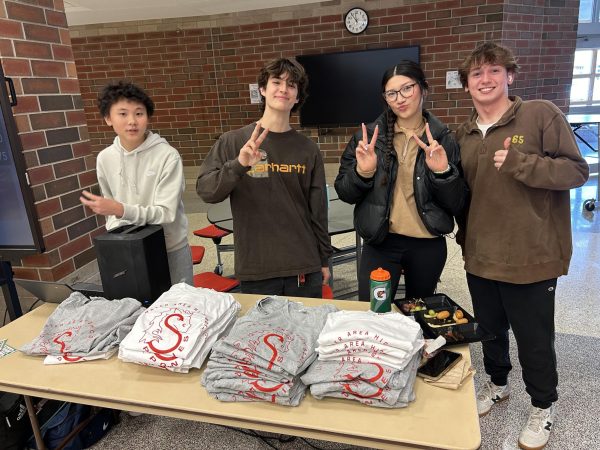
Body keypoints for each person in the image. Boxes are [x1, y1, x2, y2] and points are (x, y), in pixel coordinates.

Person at [456, 42, 589, 450]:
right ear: (466, 85)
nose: (485, 79)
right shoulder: (464, 134)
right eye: (476, 74)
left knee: (534, 338)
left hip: (531, 256)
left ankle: (542, 407)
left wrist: (521, 164)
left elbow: (576, 170)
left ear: (509, 76)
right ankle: (497, 385)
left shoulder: (540, 114)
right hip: (480, 253)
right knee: (490, 331)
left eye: (493, 70)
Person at [196, 58, 331, 298]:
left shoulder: (308, 149)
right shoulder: (234, 141)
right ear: (263, 90)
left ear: (298, 96)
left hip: (303, 265)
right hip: (256, 268)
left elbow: (318, 210)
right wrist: (239, 165)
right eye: (276, 82)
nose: (283, 89)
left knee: (305, 334)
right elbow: (207, 191)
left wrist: (323, 258)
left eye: (291, 85)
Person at [334, 60, 468, 302]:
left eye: (407, 88)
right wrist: (363, 172)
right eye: (391, 93)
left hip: (427, 245)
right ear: (385, 98)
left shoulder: (442, 139)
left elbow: (457, 202)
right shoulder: (368, 139)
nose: (400, 98)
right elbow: (345, 192)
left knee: (420, 317)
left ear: (423, 89)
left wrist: (442, 172)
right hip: (381, 241)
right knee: (375, 311)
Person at [80, 81, 193, 286]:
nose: (132, 121)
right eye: (123, 114)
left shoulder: (167, 156)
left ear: (147, 117)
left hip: (169, 247)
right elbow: (111, 210)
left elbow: (166, 213)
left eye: (139, 113)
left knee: (180, 309)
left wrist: (121, 209)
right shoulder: (105, 158)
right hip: (128, 249)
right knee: (135, 309)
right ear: (108, 119)